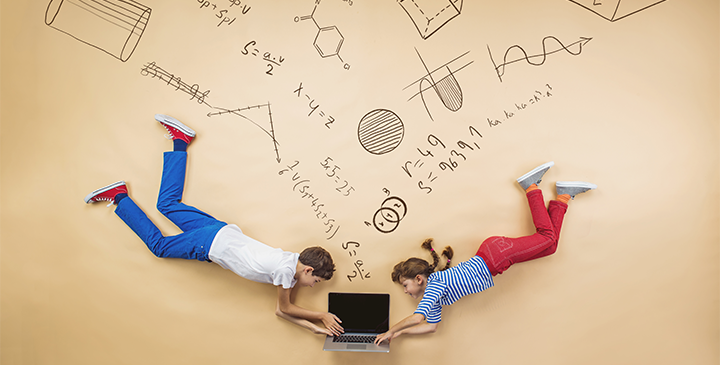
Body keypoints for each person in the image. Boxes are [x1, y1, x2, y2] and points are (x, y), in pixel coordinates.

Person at [84, 114, 344, 336]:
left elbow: (280, 311)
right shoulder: (285, 273)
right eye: (316, 281)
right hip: (209, 243)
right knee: (159, 247)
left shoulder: (288, 262)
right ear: (308, 269)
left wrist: (313, 328)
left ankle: (180, 141)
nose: (312, 286)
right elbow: (286, 308)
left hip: (221, 230)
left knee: (168, 204)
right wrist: (321, 315)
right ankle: (120, 197)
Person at [375, 161, 596, 344]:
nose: (404, 291)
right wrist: (400, 334)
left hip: (496, 256)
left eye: (405, 285)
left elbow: (417, 318)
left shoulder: (433, 287)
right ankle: (564, 196)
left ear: (419, 278)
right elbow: (430, 327)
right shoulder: (434, 297)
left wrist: (391, 330)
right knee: (551, 246)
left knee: (547, 238)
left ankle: (531, 187)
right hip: (495, 256)